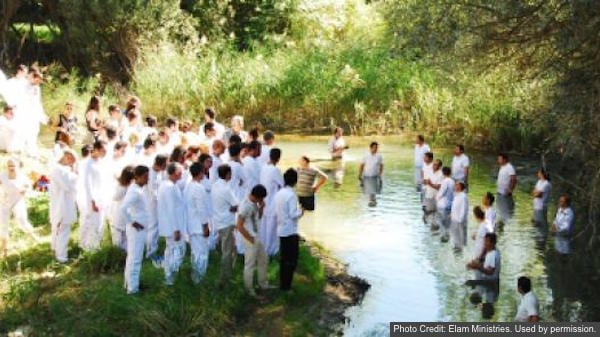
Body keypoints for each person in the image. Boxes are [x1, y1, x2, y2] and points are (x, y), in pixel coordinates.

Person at [237, 184, 274, 296]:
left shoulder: (254, 204)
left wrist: (261, 208)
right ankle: (249, 289)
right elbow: (239, 225)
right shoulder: (245, 206)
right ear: (258, 196)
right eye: (262, 198)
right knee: (250, 265)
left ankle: (263, 283)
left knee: (263, 259)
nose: (262, 200)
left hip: (256, 237)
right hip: (250, 238)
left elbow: (258, 218)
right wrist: (250, 238)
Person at [0, 158, 39, 257]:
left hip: (18, 201)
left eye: (13, 166)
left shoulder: (22, 176)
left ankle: (35, 238)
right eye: (9, 166)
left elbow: (28, 186)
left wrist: (25, 189)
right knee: (3, 224)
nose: (11, 168)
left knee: (22, 221)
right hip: (5, 202)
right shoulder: (3, 175)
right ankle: (4, 248)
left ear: (17, 166)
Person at [121, 165, 150, 295]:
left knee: (132, 257)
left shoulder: (138, 188)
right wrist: (132, 222)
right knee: (135, 258)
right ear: (137, 177)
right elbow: (123, 208)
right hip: (136, 230)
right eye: (145, 177)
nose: (147, 179)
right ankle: (132, 289)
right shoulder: (134, 191)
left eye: (147, 176)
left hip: (140, 229)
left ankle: (130, 283)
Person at [275, 168, 304, 291]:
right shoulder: (292, 195)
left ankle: (283, 285)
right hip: (290, 231)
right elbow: (293, 214)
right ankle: (287, 286)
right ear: (295, 181)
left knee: (283, 259)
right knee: (292, 260)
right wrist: (301, 211)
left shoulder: (279, 193)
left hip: (281, 229)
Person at [158, 163, 186, 285]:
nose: (182, 174)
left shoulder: (168, 185)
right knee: (178, 250)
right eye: (180, 172)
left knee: (170, 250)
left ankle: (168, 275)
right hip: (173, 226)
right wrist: (176, 229)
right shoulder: (169, 187)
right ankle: (170, 276)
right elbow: (170, 208)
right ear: (175, 173)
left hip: (172, 224)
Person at [49, 149, 78, 263]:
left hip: (61, 203)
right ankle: (61, 257)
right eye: (71, 160)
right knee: (62, 230)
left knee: (58, 228)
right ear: (66, 156)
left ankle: (56, 250)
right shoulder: (58, 170)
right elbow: (68, 186)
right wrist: (75, 177)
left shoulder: (60, 169)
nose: (71, 164)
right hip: (61, 205)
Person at [184, 162, 211, 284]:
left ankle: (196, 277)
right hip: (199, 225)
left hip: (191, 224)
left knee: (195, 252)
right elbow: (201, 208)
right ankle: (200, 278)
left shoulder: (188, 186)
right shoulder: (199, 188)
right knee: (202, 253)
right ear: (200, 173)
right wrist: (205, 226)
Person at [81, 141, 110, 252]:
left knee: (101, 223)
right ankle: (91, 248)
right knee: (94, 223)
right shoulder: (89, 164)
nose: (105, 153)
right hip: (94, 199)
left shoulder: (102, 162)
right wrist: (93, 201)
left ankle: (96, 245)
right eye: (103, 151)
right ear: (96, 149)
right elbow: (88, 184)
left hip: (103, 197)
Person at [211, 164, 239, 282]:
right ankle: (225, 277)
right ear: (228, 174)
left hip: (218, 221)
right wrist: (232, 208)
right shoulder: (226, 189)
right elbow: (236, 205)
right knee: (228, 251)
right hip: (226, 222)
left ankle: (227, 273)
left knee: (227, 249)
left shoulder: (215, 185)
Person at [466, 233, 501, 314]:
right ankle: (475, 291)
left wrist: (477, 266)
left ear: (492, 243)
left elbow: (490, 271)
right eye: (484, 241)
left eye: (486, 242)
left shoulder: (493, 254)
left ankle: (474, 289)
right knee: (469, 285)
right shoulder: (492, 251)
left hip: (490, 282)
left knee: (467, 284)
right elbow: (486, 265)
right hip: (488, 282)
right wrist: (476, 263)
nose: (484, 243)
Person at [259, 148, 284, 256]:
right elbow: (282, 184)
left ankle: (263, 248)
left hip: (263, 201)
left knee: (264, 228)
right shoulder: (275, 170)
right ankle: (270, 252)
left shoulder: (263, 167)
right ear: (278, 158)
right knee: (272, 229)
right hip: (272, 203)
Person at [145, 154, 167, 264]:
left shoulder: (158, 173)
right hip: (151, 204)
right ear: (162, 164)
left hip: (157, 204)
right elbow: (154, 193)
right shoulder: (150, 174)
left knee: (156, 228)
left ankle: (153, 249)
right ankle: (150, 252)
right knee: (152, 228)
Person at [23, 71, 48, 157]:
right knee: (27, 131)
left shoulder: (37, 88)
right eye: (38, 79)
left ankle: (32, 148)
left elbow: (38, 102)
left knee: (35, 130)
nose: (39, 82)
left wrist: (42, 114)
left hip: (35, 112)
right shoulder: (25, 86)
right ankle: (27, 149)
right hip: (27, 113)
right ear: (33, 78)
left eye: (40, 80)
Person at [110, 166, 135, 251]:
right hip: (128, 215)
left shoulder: (122, 187)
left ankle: (121, 257)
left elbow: (115, 197)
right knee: (126, 238)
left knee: (119, 239)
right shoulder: (132, 187)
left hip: (120, 215)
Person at [359, 142, 383, 207]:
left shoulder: (379, 156)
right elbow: (362, 165)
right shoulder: (366, 155)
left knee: (375, 190)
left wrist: (380, 175)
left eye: (376, 148)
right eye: (374, 148)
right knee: (367, 190)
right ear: (370, 148)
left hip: (375, 177)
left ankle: (373, 193)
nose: (375, 149)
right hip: (366, 176)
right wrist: (359, 175)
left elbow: (381, 165)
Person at [496, 153, 517, 223]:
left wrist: (510, 190)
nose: (498, 160)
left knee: (505, 211)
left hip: (505, 194)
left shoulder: (509, 167)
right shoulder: (502, 167)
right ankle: (502, 220)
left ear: (504, 159)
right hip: (500, 193)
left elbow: (513, 179)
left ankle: (506, 221)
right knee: (500, 210)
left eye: (499, 159)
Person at [435, 166, 454, 242]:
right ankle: (447, 234)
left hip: (443, 205)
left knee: (442, 222)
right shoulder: (452, 181)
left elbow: (442, 192)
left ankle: (445, 234)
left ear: (443, 173)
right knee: (447, 223)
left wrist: (436, 198)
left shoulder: (445, 181)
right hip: (450, 204)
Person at [423, 158, 442, 227]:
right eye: (433, 164)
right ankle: (432, 227)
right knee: (428, 214)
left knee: (435, 215)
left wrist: (430, 184)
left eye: (435, 165)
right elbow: (426, 181)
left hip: (436, 197)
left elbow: (439, 187)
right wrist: (424, 181)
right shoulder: (430, 171)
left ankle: (436, 227)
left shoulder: (441, 174)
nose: (433, 166)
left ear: (439, 167)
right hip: (428, 195)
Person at [450, 181, 468, 252]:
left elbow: (463, 209)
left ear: (460, 187)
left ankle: (460, 251)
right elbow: (454, 207)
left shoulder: (463, 196)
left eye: (457, 185)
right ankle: (457, 250)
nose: (455, 186)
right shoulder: (457, 195)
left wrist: (460, 220)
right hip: (455, 220)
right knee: (455, 238)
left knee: (460, 239)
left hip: (459, 221)